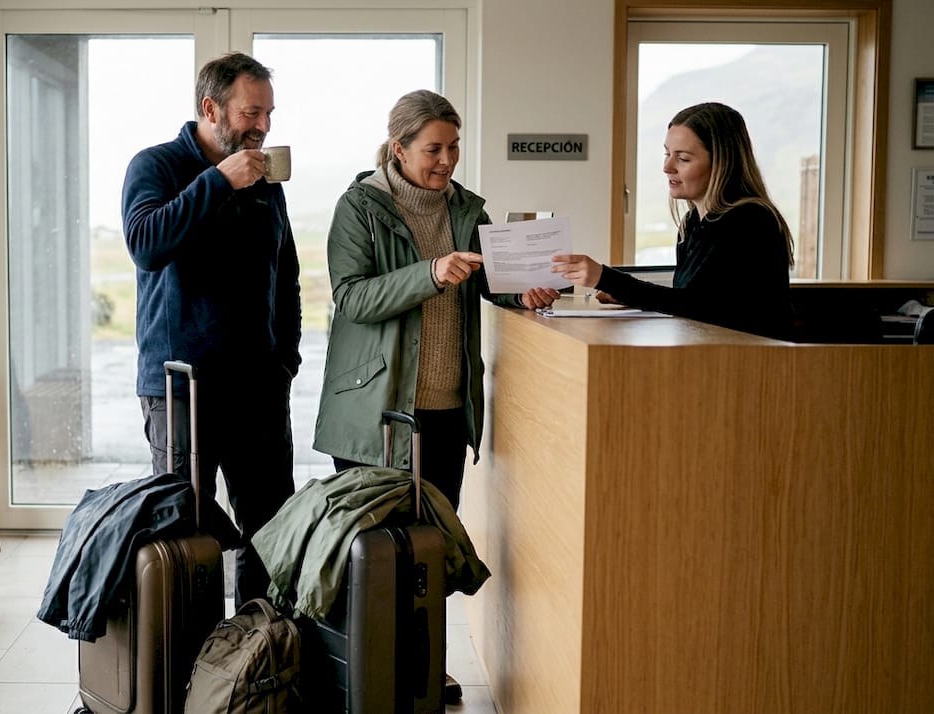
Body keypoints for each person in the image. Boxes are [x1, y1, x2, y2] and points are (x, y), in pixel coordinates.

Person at [311, 89, 556, 705]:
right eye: (433, 149)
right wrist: (430, 273)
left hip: (447, 410)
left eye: (453, 147)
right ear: (399, 148)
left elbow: (492, 281)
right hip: (377, 413)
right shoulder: (359, 206)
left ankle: (423, 669)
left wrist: (522, 291)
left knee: (432, 550)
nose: (446, 160)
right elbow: (352, 297)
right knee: (371, 549)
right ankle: (363, 671)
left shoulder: (468, 209)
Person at [121, 52, 301, 607]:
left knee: (271, 530)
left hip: (258, 389)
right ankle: (187, 653)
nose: (263, 126)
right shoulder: (155, 165)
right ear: (211, 108)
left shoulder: (266, 181)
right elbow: (146, 244)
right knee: (184, 533)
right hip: (181, 390)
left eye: (269, 114)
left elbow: (285, 276)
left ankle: (257, 647)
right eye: (251, 113)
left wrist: (285, 360)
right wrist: (219, 181)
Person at [550, 101, 794, 339]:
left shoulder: (751, 220)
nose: (667, 167)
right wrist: (626, 294)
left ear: (722, 163)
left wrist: (608, 279)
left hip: (749, 358)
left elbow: (700, 306)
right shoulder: (692, 223)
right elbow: (691, 303)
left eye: (683, 158)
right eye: (667, 154)